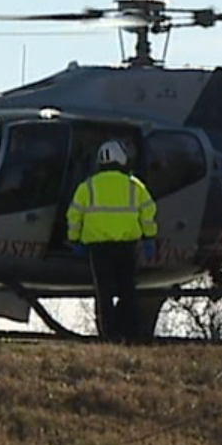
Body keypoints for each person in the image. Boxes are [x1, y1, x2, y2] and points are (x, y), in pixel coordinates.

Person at [66, 139, 158, 341]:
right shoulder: (135, 186)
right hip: (127, 246)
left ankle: (109, 335)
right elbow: (148, 213)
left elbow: (74, 215)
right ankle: (131, 334)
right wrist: (149, 238)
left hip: (98, 248)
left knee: (104, 292)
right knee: (128, 291)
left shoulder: (87, 187)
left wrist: (74, 240)